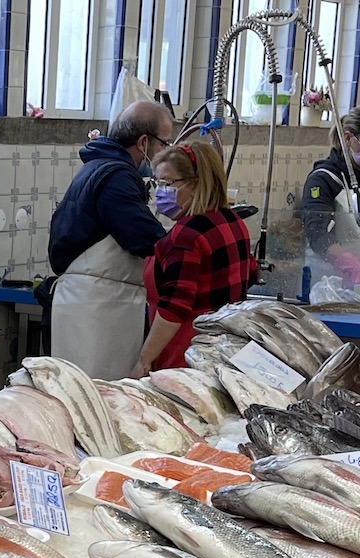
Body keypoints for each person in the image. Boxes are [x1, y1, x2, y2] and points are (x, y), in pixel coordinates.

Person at [47, 101, 173, 379]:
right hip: (96, 309)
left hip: (99, 303)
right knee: (96, 402)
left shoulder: (101, 166)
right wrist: (184, 243)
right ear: (143, 142)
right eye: (165, 143)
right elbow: (143, 238)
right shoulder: (116, 176)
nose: (166, 152)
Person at [130, 142, 257, 377]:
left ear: (196, 183)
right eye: (157, 183)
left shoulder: (186, 235)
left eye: (167, 183)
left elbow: (174, 308)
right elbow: (251, 273)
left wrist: (144, 360)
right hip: (225, 350)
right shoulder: (233, 221)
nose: (160, 191)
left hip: (185, 355)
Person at [302, 106, 360, 289]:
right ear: (348, 138)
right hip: (327, 284)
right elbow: (317, 232)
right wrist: (349, 264)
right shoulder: (322, 179)